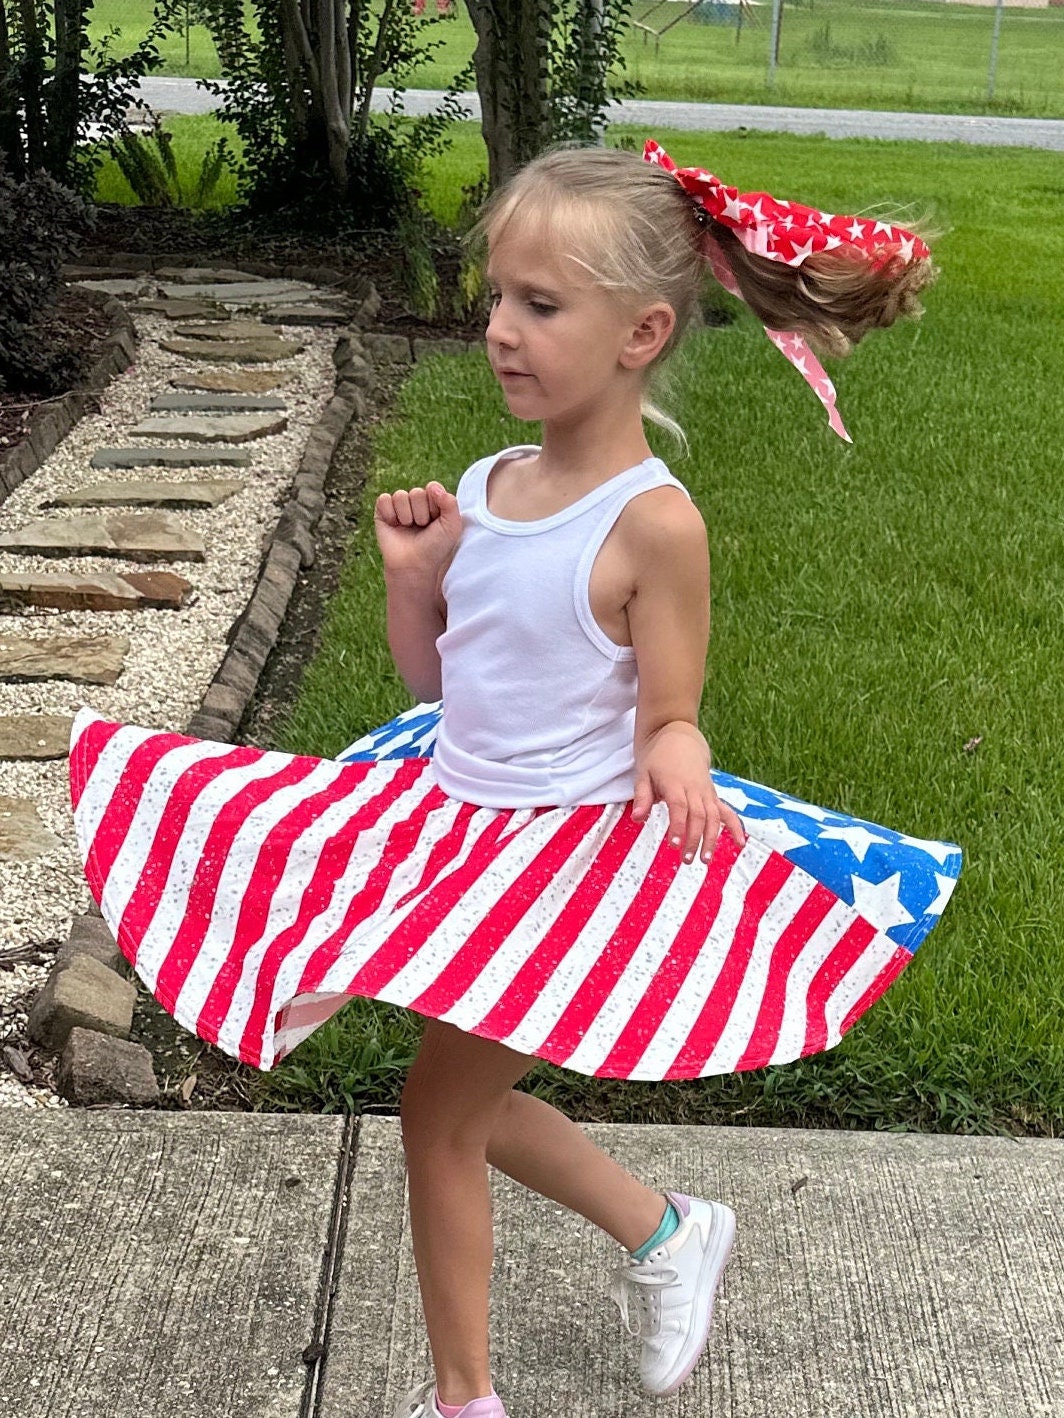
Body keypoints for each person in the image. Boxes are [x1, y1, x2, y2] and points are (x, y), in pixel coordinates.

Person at [68, 141, 962, 1418]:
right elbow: (442, 687)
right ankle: (664, 1230)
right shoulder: (487, 489)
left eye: (539, 306)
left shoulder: (652, 522)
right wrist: (409, 578)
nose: (498, 330)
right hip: (450, 817)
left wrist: (681, 758)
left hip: (559, 858)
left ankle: (466, 1395)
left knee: (435, 1111)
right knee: (450, 1099)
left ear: (641, 330)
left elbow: (668, 713)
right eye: (496, 297)